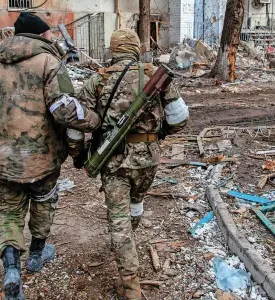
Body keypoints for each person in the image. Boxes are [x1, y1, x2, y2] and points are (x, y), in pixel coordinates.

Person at [0, 12, 100, 300]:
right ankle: (36, 254)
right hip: (41, 157)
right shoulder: (48, 62)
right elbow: (64, 110)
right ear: (43, 35)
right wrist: (95, 121)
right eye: (50, 33)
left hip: (1, 155)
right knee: (44, 201)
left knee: (8, 209)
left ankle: (12, 267)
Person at [75, 29, 189, 299]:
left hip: (112, 161)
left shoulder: (97, 81)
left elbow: (76, 124)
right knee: (136, 204)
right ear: (137, 48)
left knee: (118, 220)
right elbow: (179, 119)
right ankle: (126, 240)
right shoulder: (156, 76)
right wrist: (157, 135)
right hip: (148, 159)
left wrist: (78, 154)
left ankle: (130, 286)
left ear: (113, 49)